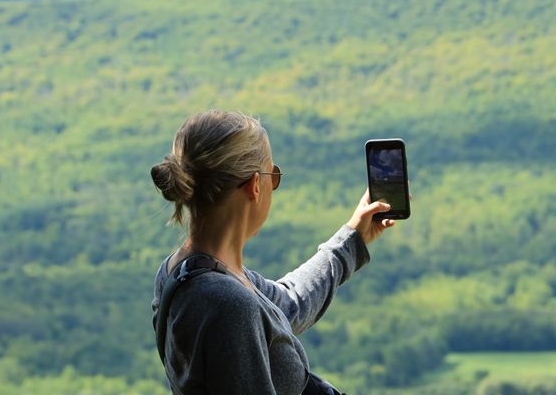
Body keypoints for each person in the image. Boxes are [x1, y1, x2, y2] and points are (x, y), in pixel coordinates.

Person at [150, 110, 397, 394]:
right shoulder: (227, 303)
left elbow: (287, 306)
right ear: (256, 185)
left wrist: (354, 237)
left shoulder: (184, 272)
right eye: (274, 175)